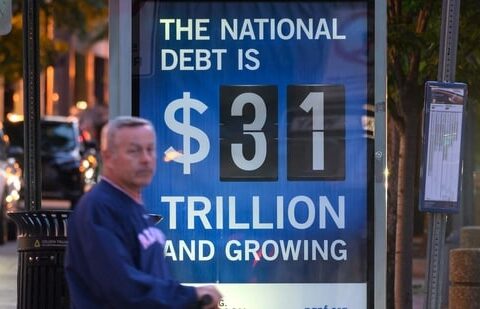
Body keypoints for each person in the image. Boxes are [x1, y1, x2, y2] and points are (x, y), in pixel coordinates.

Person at [65, 116, 222, 308]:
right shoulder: (98, 208)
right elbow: (122, 287)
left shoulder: (134, 205)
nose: (146, 159)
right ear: (107, 157)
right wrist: (189, 295)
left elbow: (152, 278)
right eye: (134, 151)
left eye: (150, 150)